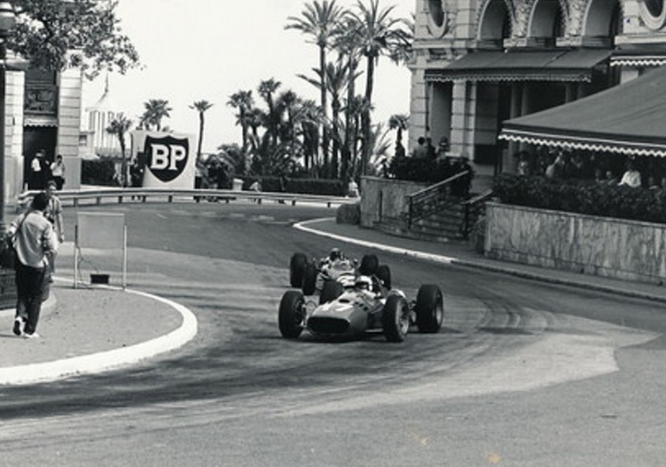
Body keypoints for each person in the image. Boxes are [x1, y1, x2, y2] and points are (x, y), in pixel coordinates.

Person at [8, 192, 57, 338]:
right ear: (46, 207)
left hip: (21, 261)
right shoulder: (45, 224)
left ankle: (19, 316)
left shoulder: (23, 218)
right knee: (36, 296)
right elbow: (50, 246)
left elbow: (10, 232)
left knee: (22, 293)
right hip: (37, 263)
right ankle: (30, 330)